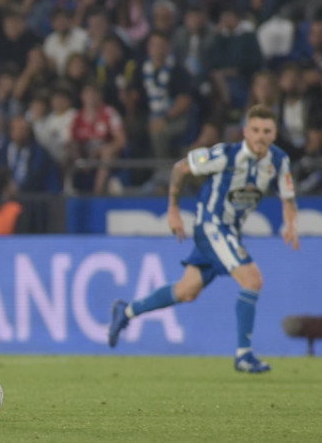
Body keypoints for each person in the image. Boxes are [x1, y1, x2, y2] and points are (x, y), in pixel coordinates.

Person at [108, 105, 299, 373]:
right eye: (255, 130)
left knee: (187, 291)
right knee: (252, 279)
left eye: (267, 131)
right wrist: (173, 210)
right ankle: (244, 355)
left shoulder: (278, 160)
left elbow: (288, 197)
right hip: (211, 225)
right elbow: (180, 168)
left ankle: (125, 311)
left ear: (275, 133)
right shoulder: (225, 155)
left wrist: (290, 222)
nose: (261, 137)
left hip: (231, 229)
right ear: (245, 131)